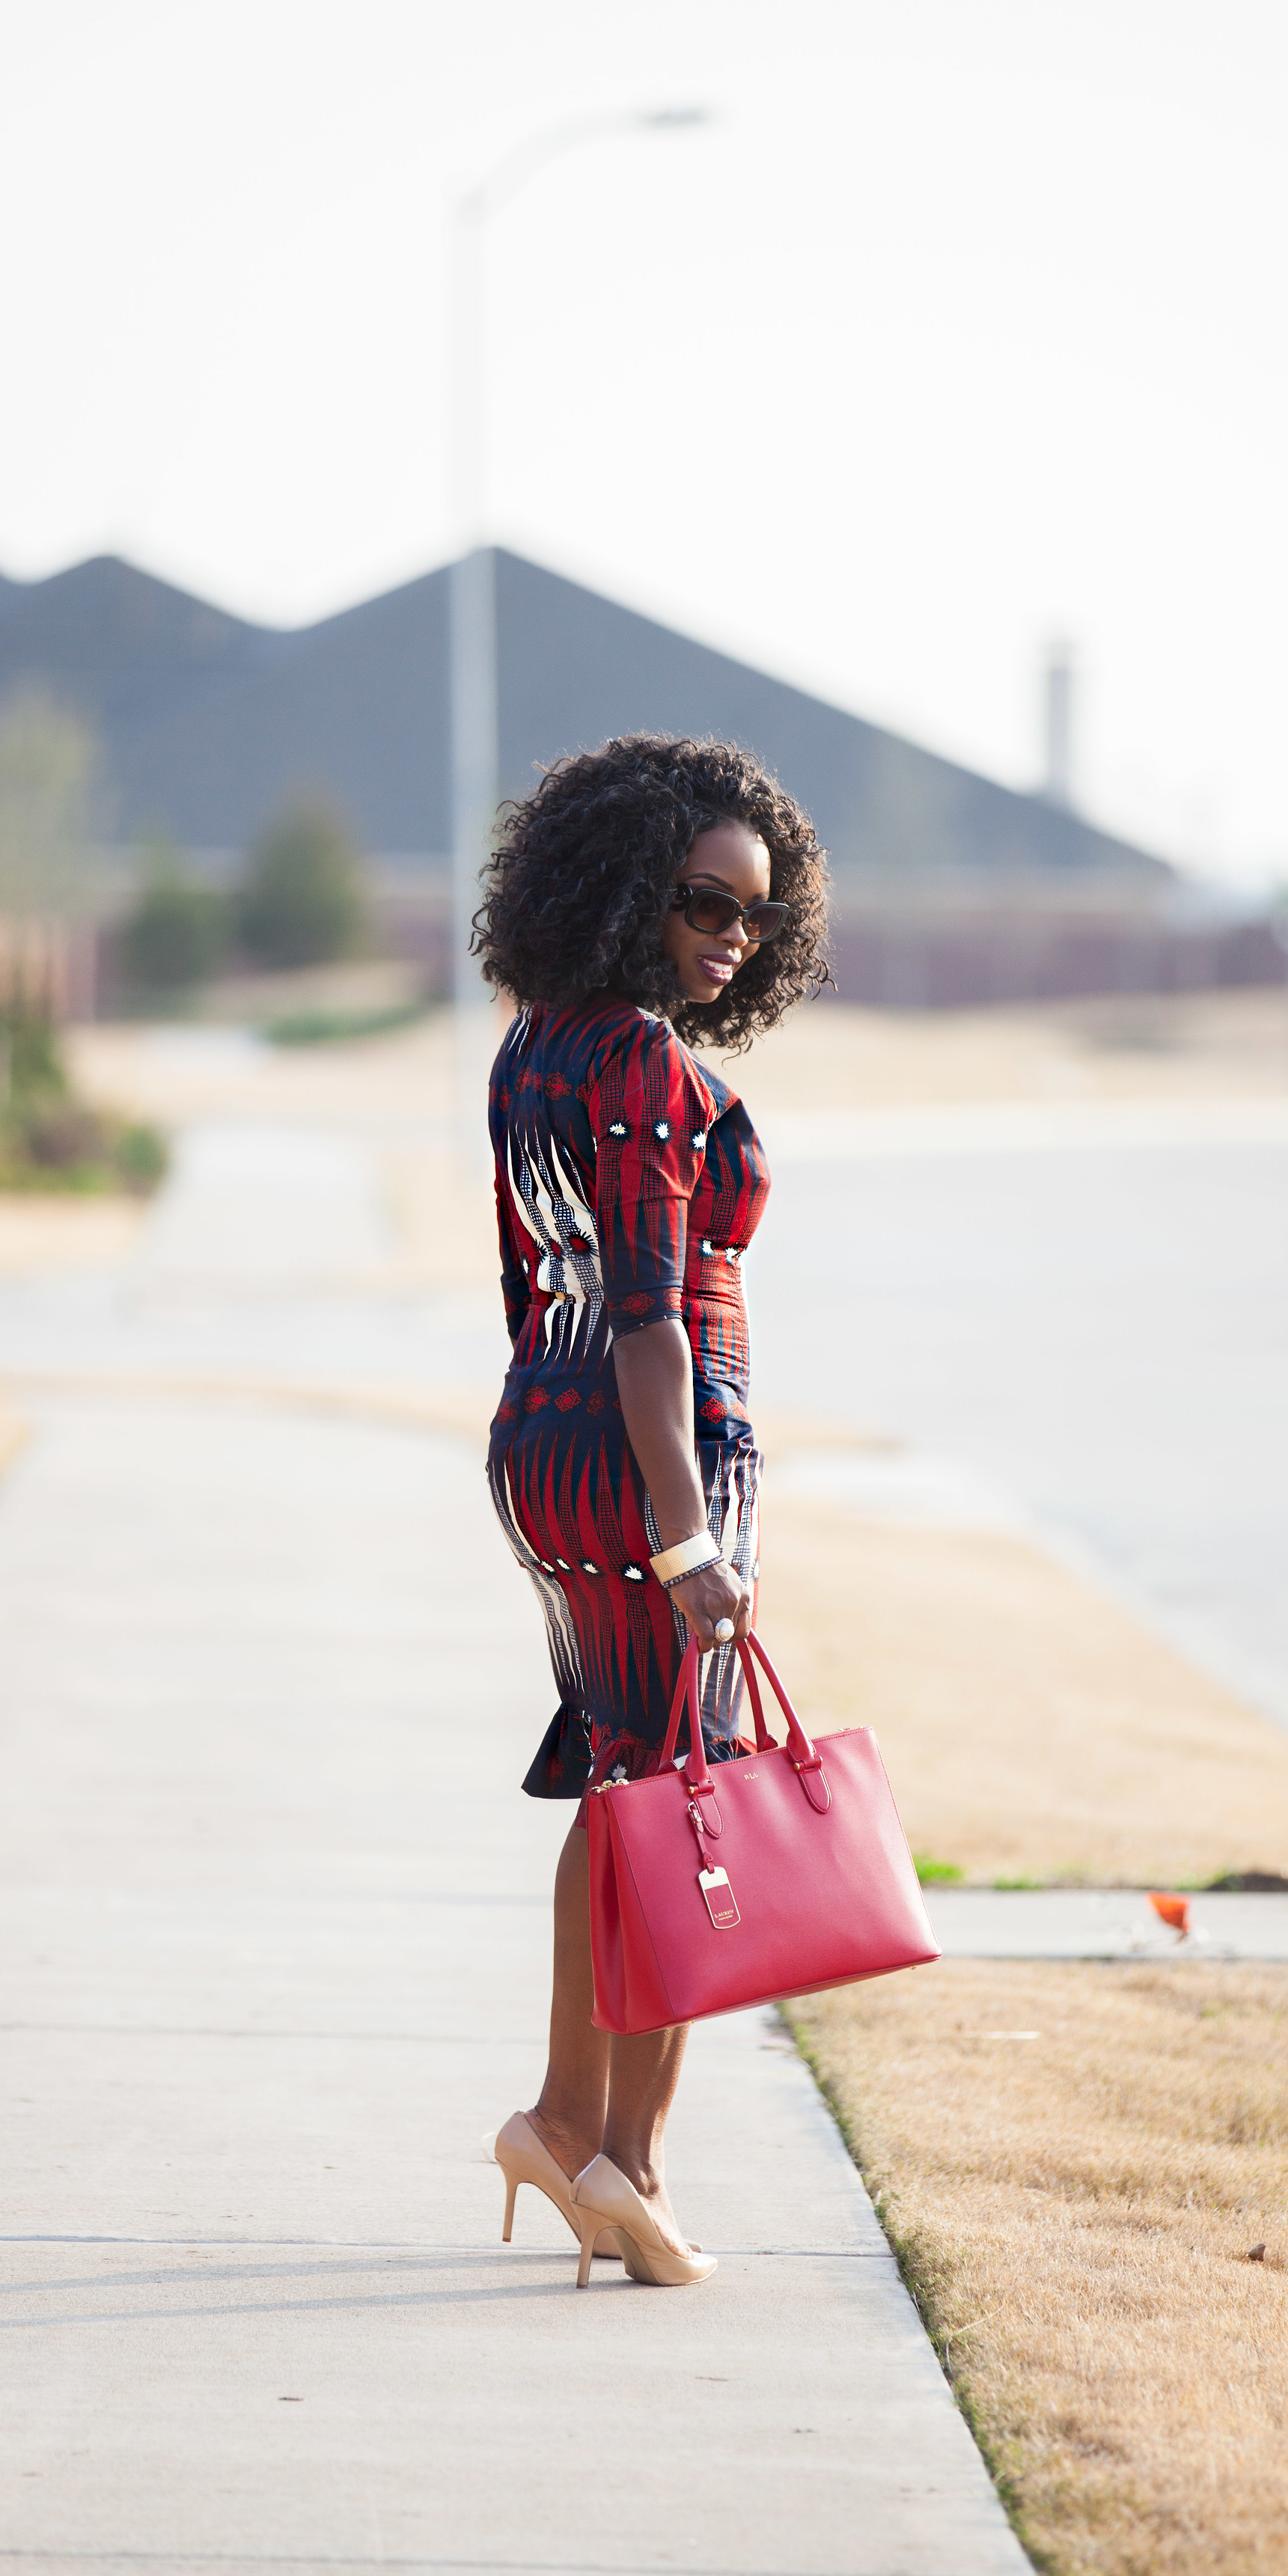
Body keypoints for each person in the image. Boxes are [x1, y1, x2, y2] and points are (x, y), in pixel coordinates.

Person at [474, 734, 830, 2288]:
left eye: (752, 915)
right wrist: (687, 1534)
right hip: (647, 1462)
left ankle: (570, 2129)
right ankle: (623, 2155)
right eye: (700, 901)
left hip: (550, 1445)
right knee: (692, 1803)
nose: (728, 936)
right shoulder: (638, 1068)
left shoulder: (532, 1045)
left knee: (630, 1783)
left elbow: (527, 1289)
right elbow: (646, 1316)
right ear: (626, 888)